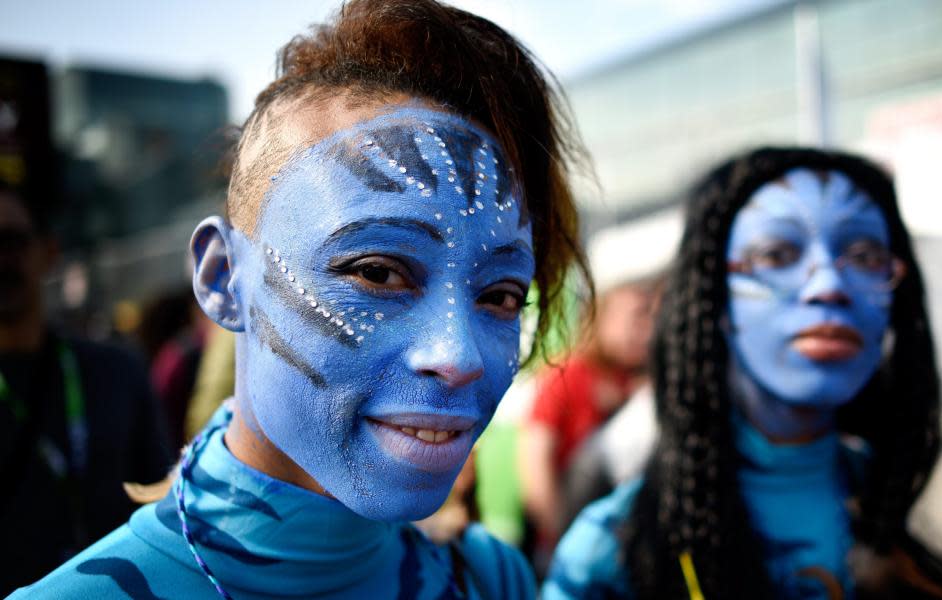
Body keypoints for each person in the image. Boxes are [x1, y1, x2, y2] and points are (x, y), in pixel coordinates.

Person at [14, 0, 587, 598]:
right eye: (378, 273)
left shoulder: (491, 580)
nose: (457, 354)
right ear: (221, 278)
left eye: (499, 295)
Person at [543, 147, 942, 599]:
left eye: (867, 256)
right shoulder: (614, 546)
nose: (829, 285)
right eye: (777, 254)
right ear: (714, 302)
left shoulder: (884, 501)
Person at [0, 184, 172, 595]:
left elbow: (161, 503)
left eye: (13, 241)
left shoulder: (116, 371)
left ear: (49, 251)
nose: (2, 260)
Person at [518, 273, 657, 564]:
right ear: (601, 315)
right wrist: (562, 536)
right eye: (636, 317)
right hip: (568, 544)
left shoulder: (640, 384)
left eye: (650, 319)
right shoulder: (566, 375)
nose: (645, 331)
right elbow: (534, 464)